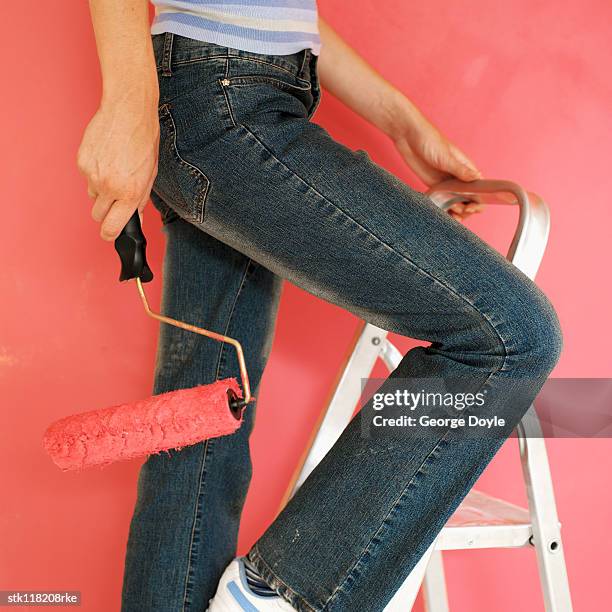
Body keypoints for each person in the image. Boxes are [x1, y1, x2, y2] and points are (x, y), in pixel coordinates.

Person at [77, 1, 563, 610]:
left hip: (227, 95)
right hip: (225, 104)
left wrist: (401, 121)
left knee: (199, 422)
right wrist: (126, 103)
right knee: (510, 337)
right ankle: (278, 592)